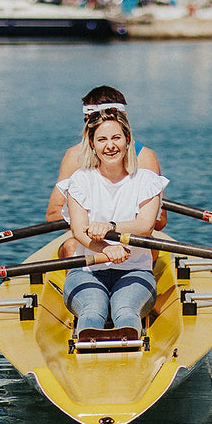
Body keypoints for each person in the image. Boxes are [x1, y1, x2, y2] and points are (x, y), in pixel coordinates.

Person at [56, 105, 168, 337]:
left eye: (116, 137)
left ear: (128, 140)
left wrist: (111, 227)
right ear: (92, 145)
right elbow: (79, 231)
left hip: (135, 269)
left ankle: (129, 341)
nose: (110, 145)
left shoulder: (146, 180)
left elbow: (146, 226)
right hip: (87, 270)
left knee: (125, 309)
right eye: (102, 139)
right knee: (92, 309)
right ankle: (88, 344)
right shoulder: (80, 180)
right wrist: (106, 249)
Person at [47, 86, 163, 242]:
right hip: (88, 236)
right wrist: (92, 226)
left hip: (131, 238)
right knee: (70, 247)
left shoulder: (144, 157)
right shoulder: (75, 156)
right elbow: (53, 215)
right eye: (94, 117)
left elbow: (159, 222)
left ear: (123, 118)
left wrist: (112, 225)